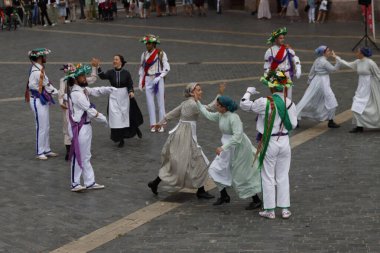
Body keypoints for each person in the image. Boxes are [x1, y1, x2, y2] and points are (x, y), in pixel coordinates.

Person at [147, 83, 226, 199]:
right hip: (186, 136)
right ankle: (200, 190)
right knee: (199, 161)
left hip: (182, 134)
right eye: (198, 90)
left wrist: (159, 123)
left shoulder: (187, 103)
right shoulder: (192, 105)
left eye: (200, 90)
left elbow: (172, 113)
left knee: (177, 162)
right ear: (191, 92)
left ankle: (155, 183)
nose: (201, 92)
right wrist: (220, 94)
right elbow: (208, 108)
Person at [240, 70, 298, 219]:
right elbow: (293, 124)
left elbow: (244, 105)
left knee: (267, 176)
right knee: (283, 175)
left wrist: (248, 92)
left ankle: (270, 210)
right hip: (284, 141)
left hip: (270, 141)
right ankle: (285, 209)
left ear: (271, 87)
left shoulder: (264, 102)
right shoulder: (290, 103)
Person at [195, 95, 262, 209]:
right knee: (214, 169)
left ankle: (256, 200)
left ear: (224, 107)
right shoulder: (221, 115)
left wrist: (223, 147)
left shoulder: (233, 118)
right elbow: (208, 115)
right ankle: (224, 195)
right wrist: (198, 102)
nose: (216, 106)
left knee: (242, 174)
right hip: (227, 147)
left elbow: (237, 136)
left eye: (218, 105)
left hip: (239, 147)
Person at [65, 64, 117, 192]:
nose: (85, 78)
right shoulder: (77, 94)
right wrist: (104, 119)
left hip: (86, 127)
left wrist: (110, 89)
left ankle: (89, 182)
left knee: (86, 155)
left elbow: (96, 90)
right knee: (78, 155)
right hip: (79, 128)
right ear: (76, 79)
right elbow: (90, 111)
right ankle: (75, 183)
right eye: (82, 76)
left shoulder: (83, 90)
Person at [97, 55, 143, 147]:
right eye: (113, 59)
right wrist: (98, 67)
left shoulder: (126, 73)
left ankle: (135, 128)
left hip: (124, 96)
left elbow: (130, 84)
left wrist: (131, 91)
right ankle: (121, 139)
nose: (114, 61)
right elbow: (103, 76)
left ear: (121, 62)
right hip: (113, 96)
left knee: (126, 116)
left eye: (116, 59)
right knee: (115, 117)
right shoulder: (110, 72)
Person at [58, 61, 98, 161]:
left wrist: (94, 68)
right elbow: (61, 92)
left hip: (78, 106)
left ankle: (79, 146)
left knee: (79, 124)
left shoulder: (78, 79)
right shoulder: (63, 80)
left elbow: (92, 79)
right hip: (68, 106)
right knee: (67, 127)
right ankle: (69, 151)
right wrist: (61, 102)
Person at [336, 47, 380, 133]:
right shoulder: (358, 62)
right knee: (356, 104)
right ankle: (359, 126)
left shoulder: (370, 63)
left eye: (358, 52)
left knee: (371, 106)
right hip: (361, 86)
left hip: (370, 86)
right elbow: (348, 64)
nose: (356, 53)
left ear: (362, 53)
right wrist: (337, 58)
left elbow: (378, 74)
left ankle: (372, 123)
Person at [25, 48, 58, 160]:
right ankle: (40, 151)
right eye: (44, 56)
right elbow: (32, 85)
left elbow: (46, 84)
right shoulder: (37, 71)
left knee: (46, 126)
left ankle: (46, 149)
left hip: (41, 99)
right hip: (37, 100)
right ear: (39, 58)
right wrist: (53, 91)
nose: (45, 58)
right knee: (41, 126)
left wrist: (46, 87)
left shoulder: (39, 69)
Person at [296, 45, 340, 128]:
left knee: (308, 99)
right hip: (322, 82)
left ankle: (296, 116)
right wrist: (337, 59)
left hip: (316, 81)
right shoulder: (324, 62)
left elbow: (312, 71)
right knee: (331, 99)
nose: (329, 52)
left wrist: (309, 82)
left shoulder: (317, 60)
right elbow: (333, 69)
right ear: (323, 53)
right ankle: (331, 121)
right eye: (328, 51)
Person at [138, 34, 170, 132]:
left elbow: (167, 68)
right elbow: (142, 68)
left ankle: (161, 124)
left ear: (154, 44)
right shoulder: (143, 54)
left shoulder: (161, 53)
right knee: (150, 103)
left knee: (160, 103)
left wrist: (160, 76)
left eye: (149, 43)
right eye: (146, 43)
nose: (147, 45)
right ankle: (153, 124)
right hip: (148, 79)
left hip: (157, 78)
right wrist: (140, 81)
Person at [264, 27, 301, 99]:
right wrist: (267, 72)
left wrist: (298, 68)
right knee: (278, 96)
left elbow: (295, 58)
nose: (282, 40)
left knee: (288, 96)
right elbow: (267, 63)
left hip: (287, 75)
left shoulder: (287, 48)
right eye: (280, 38)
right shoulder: (270, 50)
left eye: (283, 38)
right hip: (275, 75)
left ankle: (287, 109)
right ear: (276, 39)